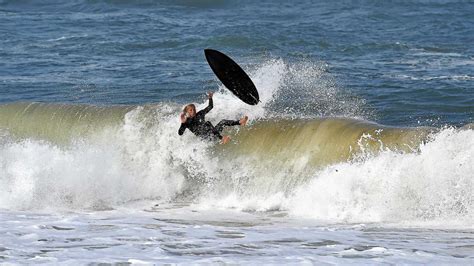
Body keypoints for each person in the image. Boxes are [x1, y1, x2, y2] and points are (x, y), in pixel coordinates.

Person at [178, 92, 248, 144]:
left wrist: (210, 98)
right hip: (206, 139)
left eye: (194, 109)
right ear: (187, 112)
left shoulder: (200, 114)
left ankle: (239, 122)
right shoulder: (187, 122)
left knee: (223, 122)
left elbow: (210, 107)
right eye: (191, 110)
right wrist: (182, 123)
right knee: (207, 123)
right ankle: (222, 138)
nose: (193, 111)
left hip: (213, 134)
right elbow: (180, 133)